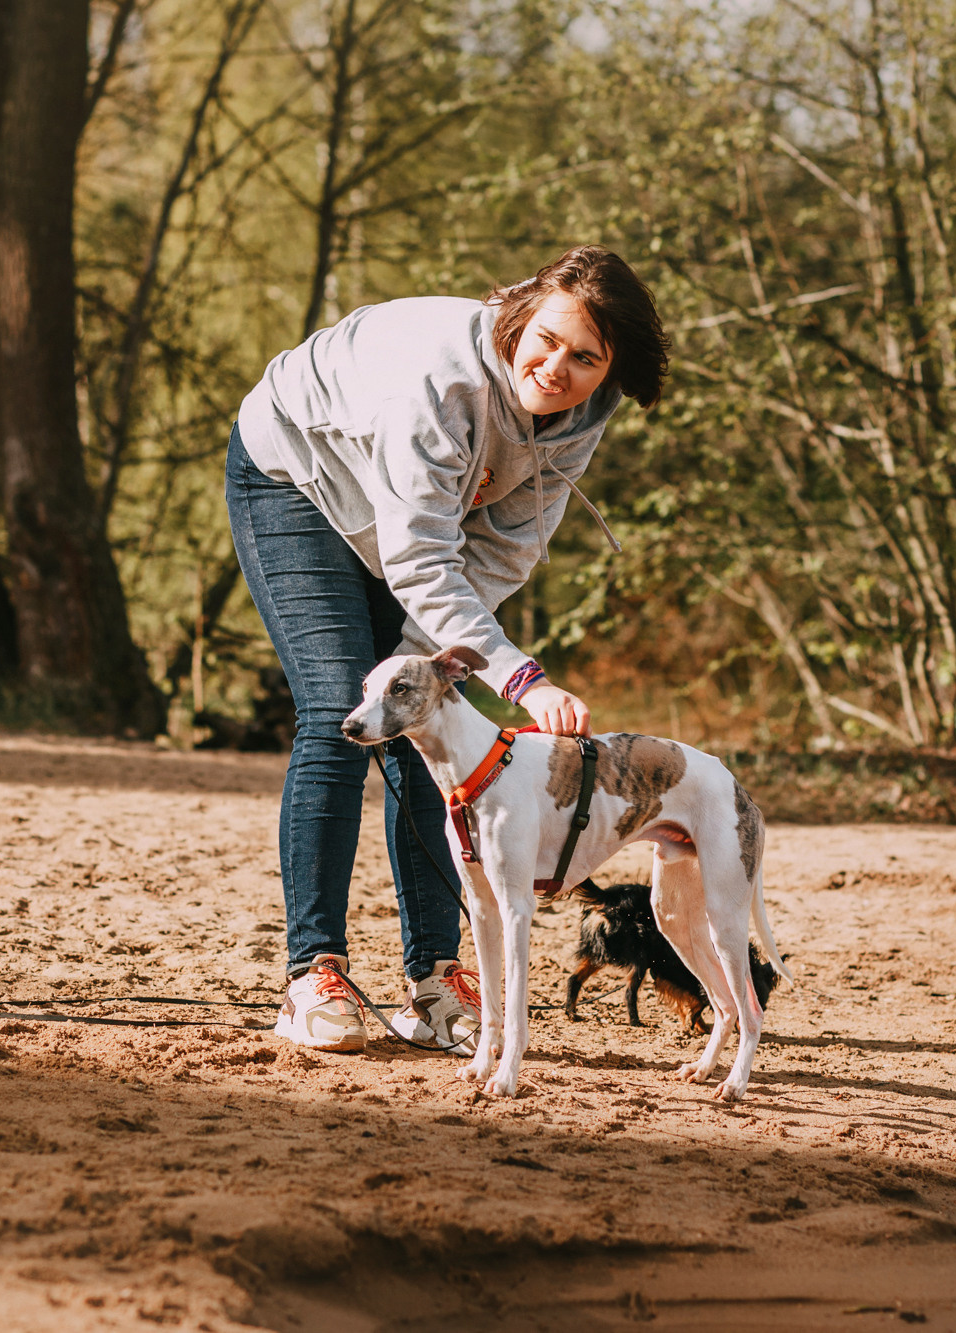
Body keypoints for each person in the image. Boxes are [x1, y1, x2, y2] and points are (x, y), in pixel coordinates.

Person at [225, 245, 671, 1052]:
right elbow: (422, 558)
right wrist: (522, 679)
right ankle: (312, 975)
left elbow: (504, 551)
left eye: (584, 358)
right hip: (297, 478)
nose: (555, 367)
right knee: (339, 709)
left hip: (410, 527)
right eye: (545, 339)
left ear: (610, 368)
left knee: (429, 720)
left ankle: (435, 980)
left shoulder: (578, 416)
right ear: (520, 313)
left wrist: (431, 671)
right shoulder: (439, 384)